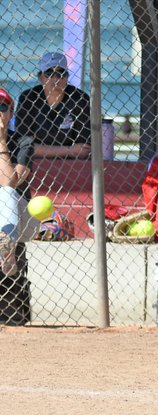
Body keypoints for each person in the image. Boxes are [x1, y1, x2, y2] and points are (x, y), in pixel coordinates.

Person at [0, 88, 37, 325]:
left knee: (6, 193)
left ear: (11, 113)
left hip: (22, 220)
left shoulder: (23, 141)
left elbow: (10, 181)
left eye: (2, 107)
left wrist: (2, 142)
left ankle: (7, 246)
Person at [15, 52, 91, 159]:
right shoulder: (29, 98)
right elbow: (23, 146)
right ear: (40, 77)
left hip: (72, 165)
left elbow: (84, 149)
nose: (55, 78)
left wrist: (40, 149)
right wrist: (69, 150)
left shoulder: (79, 98)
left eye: (61, 73)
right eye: (49, 73)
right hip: (35, 164)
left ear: (67, 77)